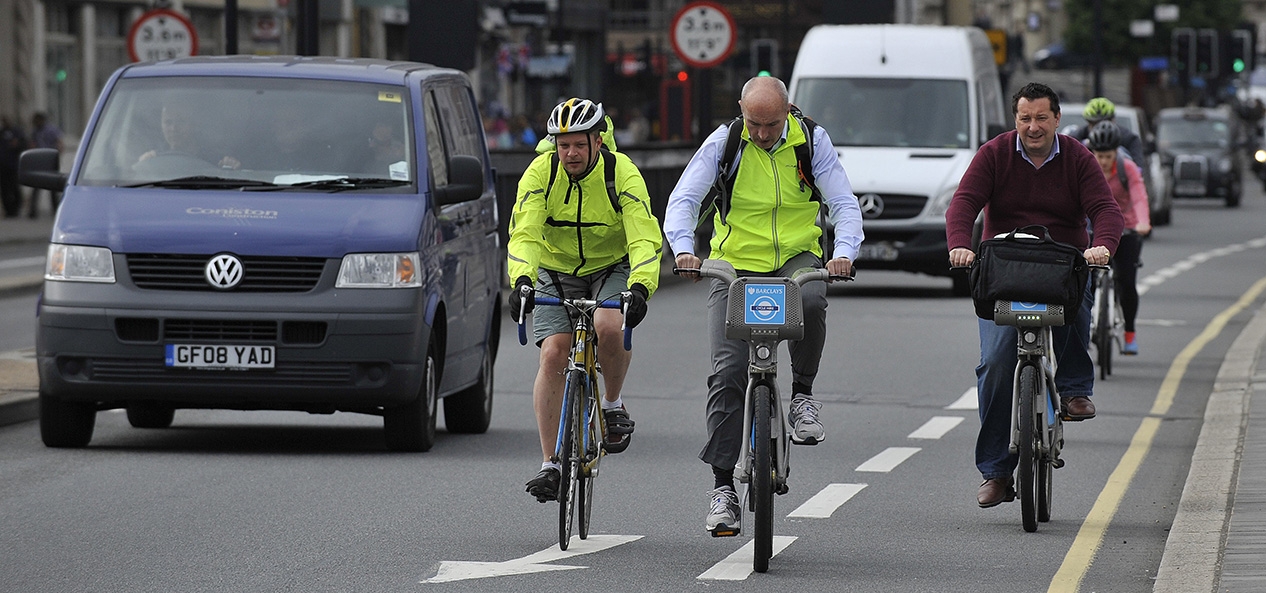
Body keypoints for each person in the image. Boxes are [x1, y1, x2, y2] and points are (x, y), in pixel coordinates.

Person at [663, 76, 864, 535]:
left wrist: (844, 253)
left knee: (812, 299)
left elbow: (843, 203)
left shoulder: (811, 141)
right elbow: (684, 198)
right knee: (727, 372)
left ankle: (803, 396)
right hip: (734, 265)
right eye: (753, 122)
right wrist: (683, 250)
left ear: (788, 110)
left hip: (796, 257)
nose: (761, 133)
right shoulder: (726, 141)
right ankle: (722, 488)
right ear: (741, 111)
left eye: (771, 124)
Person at [946, 82, 1124, 509]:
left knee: (1078, 302)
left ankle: (1076, 389)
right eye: (1025, 118)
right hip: (1004, 268)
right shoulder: (994, 154)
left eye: (1042, 117)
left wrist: (1102, 246)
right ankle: (995, 472)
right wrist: (959, 244)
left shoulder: (1078, 157)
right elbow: (963, 203)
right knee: (994, 364)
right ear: (1016, 119)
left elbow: (1106, 209)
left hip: (1061, 263)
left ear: (1057, 119)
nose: (1033, 126)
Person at [507, 97, 662, 503]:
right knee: (554, 354)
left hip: (611, 265)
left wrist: (642, 286)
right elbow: (523, 231)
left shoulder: (621, 172)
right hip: (554, 269)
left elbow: (644, 233)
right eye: (563, 145)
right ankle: (551, 464)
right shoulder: (540, 173)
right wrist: (521, 280)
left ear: (597, 141)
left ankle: (611, 404)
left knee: (608, 325)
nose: (570, 153)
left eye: (579, 144)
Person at [1086, 121, 1151, 355]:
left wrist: (1143, 222)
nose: (1103, 161)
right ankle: (1084, 330)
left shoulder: (1127, 168)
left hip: (1126, 226)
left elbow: (1139, 197)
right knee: (1085, 281)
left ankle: (1130, 333)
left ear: (1117, 152)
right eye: (1099, 155)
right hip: (1092, 226)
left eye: (1108, 156)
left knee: (1126, 281)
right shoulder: (1084, 165)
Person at [136, 102, 241, 170]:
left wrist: (232, 169)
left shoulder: (215, 159)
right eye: (168, 122)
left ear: (193, 125)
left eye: (181, 121)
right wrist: (143, 166)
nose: (173, 129)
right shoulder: (154, 158)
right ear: (161, 125)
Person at [1073, 97, 1145, 167]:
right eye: (1094, 124)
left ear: (1113, 120)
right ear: (1088, 123)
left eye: (1105, 123)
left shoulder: (1129, 138)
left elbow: (1138, 167)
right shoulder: (1075, 138)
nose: (1100, 128)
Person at [28, 112, 63, 219]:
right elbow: (33, 144)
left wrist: (56, 155)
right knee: (36, 186)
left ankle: (55, 209)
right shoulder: (35, 131)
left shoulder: (51, 129)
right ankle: (32, 211)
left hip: (50, 158)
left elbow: (60, 143)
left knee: (52, 186)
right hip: (39, 159)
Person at [0, 115, 27, 218]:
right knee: (5, 189)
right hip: (3, 166)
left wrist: (17, 145)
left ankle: (16, 209)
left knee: (15, 187)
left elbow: (24, 144)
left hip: (14, 165)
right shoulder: (1, 133)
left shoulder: (17, 132)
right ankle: (8, 210)